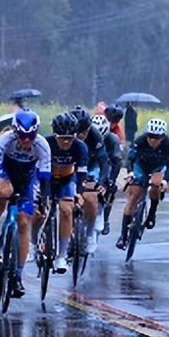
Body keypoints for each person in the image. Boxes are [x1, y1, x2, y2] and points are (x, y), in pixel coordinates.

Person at [0, 109, 52, 298]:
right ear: (14, 131)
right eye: (22, 136)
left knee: (23, 222)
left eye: (31, 136)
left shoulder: (42, 145)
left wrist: (43, 200)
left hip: (28, 179)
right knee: (3, 192)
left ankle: (18, 275)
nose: (26, 140)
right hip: (6, 173)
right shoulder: (5, 140)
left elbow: (45, 179)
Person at [33, 112, 88, 274]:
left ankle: (61, 256)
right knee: (38, 212)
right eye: (62, 138)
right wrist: (42, 196)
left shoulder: (80, 147)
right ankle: (33, 242)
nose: (66, 142)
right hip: (46, 179)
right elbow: (35, 170)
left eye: (70, 138)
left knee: (66, 210)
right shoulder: (45, 143)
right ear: (54, 135)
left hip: (67, 179)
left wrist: (79, 193)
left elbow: (82, 173)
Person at [116, 118, 169, 250]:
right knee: (134, 196)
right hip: (140, 166)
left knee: (156, 184)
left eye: (157, 138)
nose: (153, 141)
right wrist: (131, 173)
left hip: (158, 167)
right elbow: (130, 159)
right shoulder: (140, 141)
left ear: (163, 137)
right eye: (150, 137)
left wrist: (165, 180)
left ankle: (151, 213)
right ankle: (123, 236)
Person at [67, 107, 104, 253]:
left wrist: (102, 181)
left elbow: (104, 161)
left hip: (90, 166)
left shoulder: (95, 135)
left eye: (85, 130)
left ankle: (89, 234)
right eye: (79, 131)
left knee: (90, 197)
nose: (82, 134)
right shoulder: (66, 133)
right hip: (69, 165)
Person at [92, 113, 124, 236]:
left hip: (109, 163)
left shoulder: (113, 139)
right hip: (93, 162)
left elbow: (116, 162)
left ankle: (105, 219)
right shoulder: (87, 137)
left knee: (110, 188)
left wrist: (112, 180)